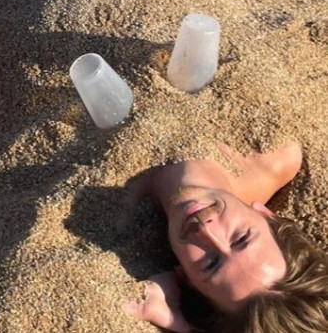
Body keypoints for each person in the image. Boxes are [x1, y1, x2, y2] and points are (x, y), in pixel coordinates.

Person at [125, 141, 328, 332]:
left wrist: (170, 315)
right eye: (241, 238)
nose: (206, 230)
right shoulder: (276, 149)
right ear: (266, 215)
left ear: (185, 278)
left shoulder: (117, 219)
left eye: (211, 263)